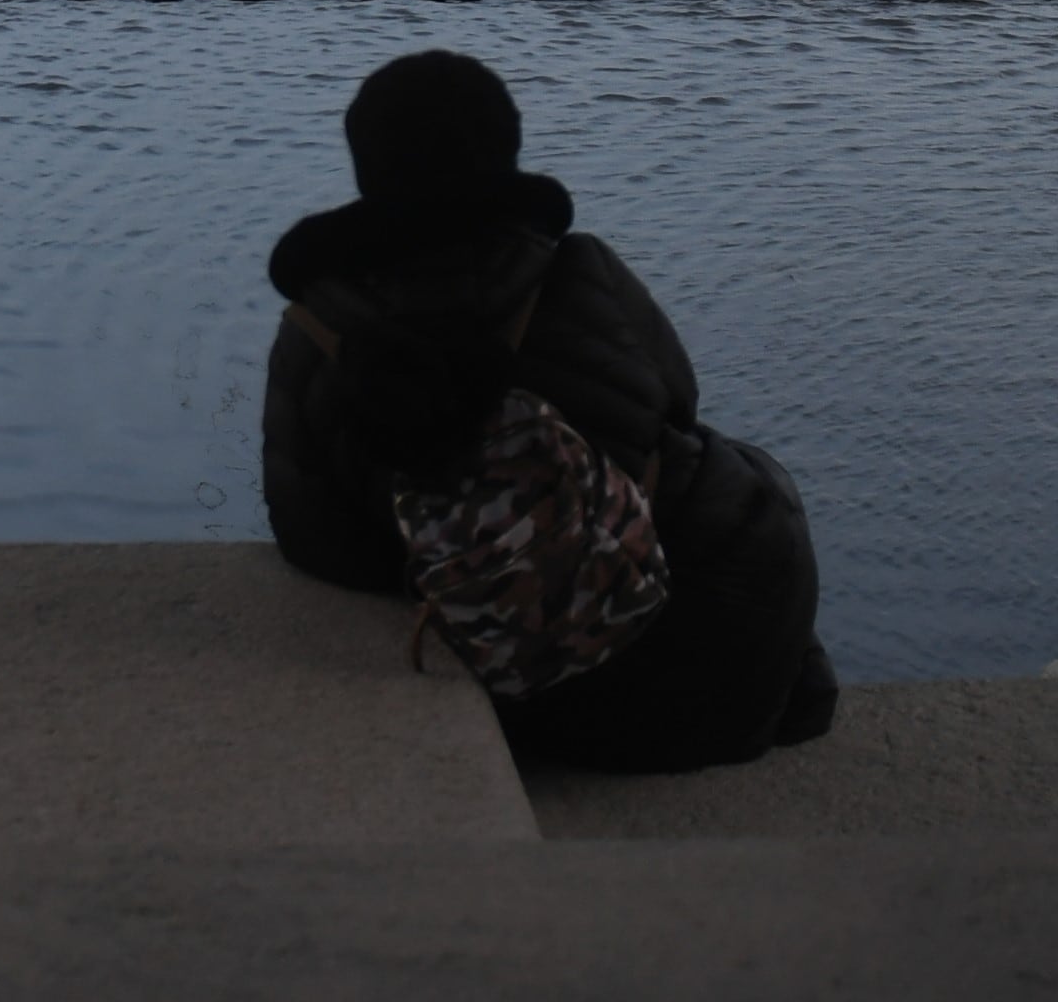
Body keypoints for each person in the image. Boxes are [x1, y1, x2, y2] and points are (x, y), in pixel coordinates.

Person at [262, 49, 837, 772]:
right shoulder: (578, 273)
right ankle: (798, 698)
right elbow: (678, 406)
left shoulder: (315, 326)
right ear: (506, 146)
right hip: (669, 688)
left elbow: (307, 531)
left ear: (366, 162)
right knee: (746, 479)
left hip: (485, 688)